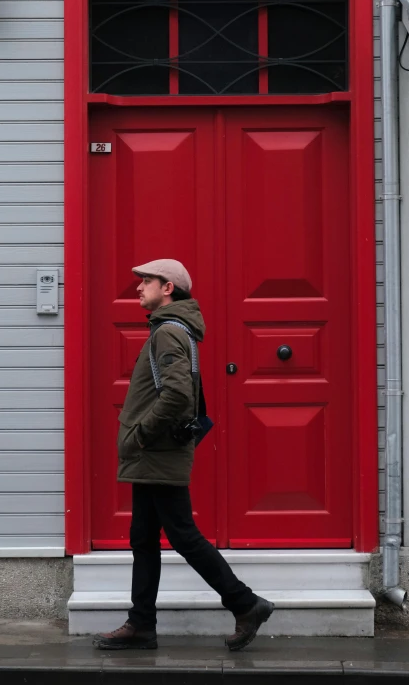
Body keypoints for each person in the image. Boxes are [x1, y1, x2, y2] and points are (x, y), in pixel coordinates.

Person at [93, 259, 274, 652]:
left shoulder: (168, 333)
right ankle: (141, 623)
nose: (139, 288)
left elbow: (178, 395)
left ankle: (245, 603)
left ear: (168, 288)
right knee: (143, 536)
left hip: (156, 452)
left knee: (182, 534)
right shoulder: (171, 330)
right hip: (153, 455)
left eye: (146, 282)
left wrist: (141, 433)